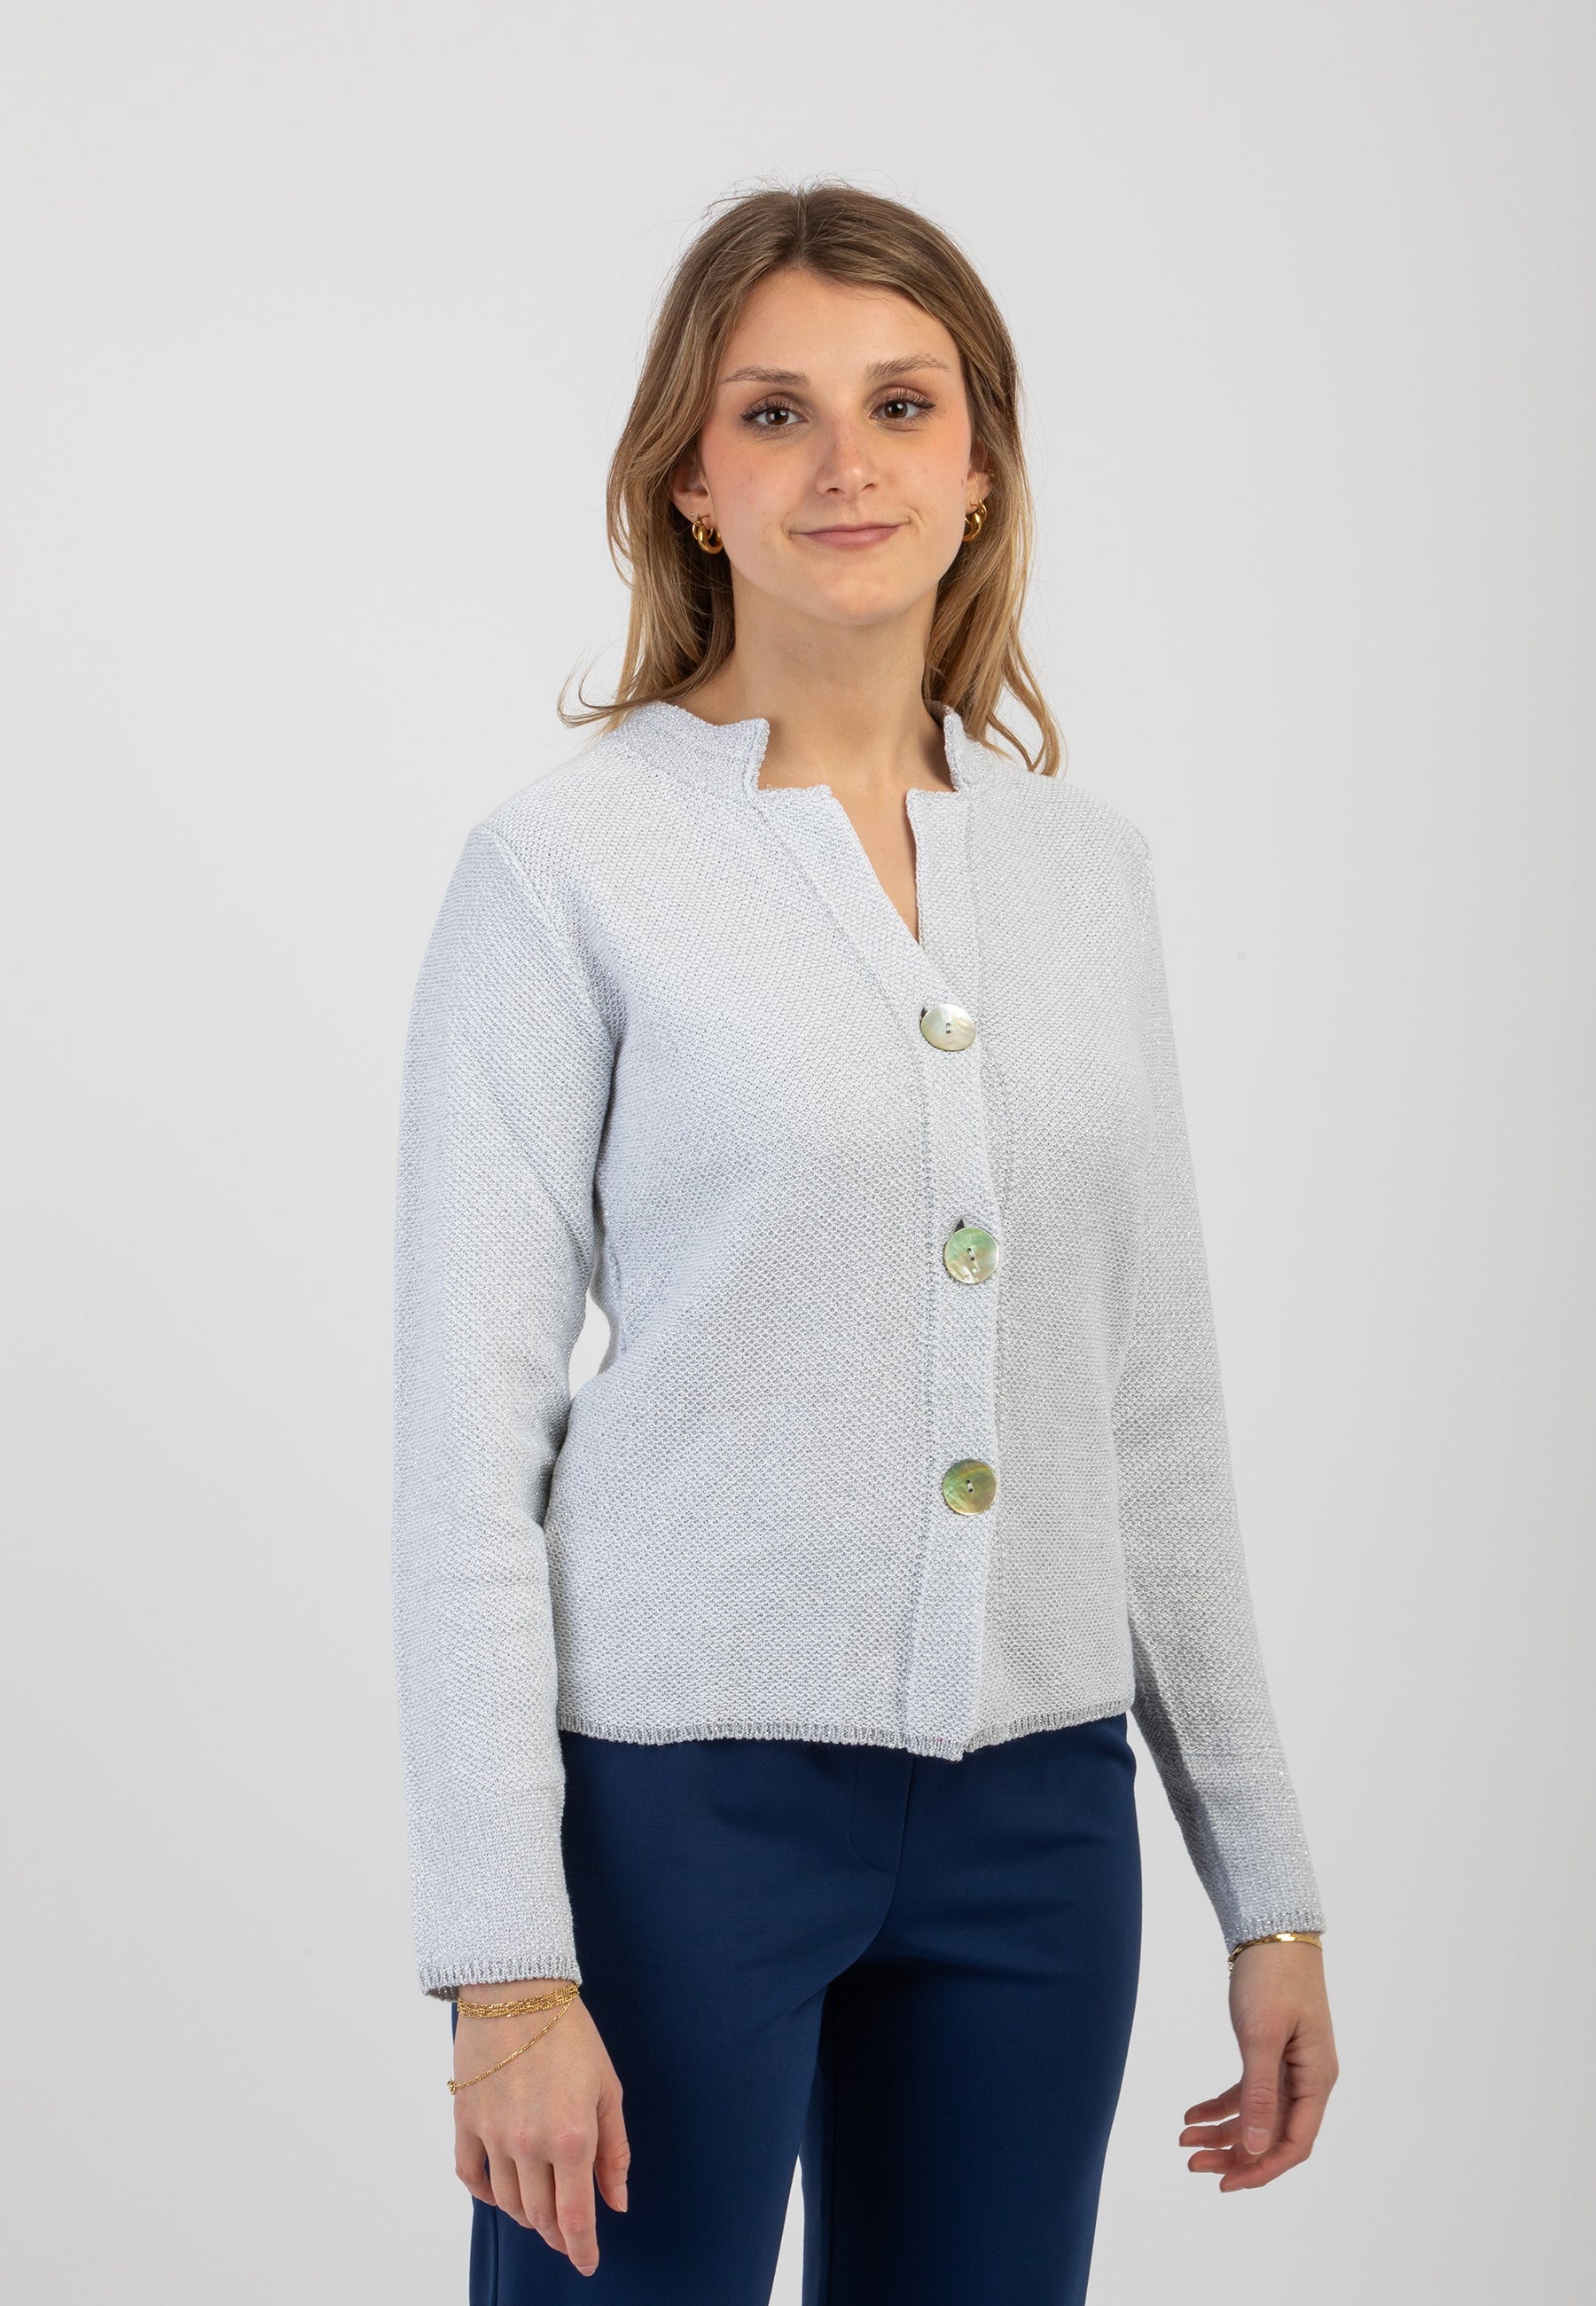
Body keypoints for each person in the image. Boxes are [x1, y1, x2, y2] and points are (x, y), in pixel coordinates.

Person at [389, 179, 1338, 2304]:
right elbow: (465, 1453)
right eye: (777, 413)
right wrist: (503, 1965)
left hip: (1039, 1826)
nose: (848, 464)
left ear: (979, 461)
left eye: (903, 405)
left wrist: (1267, 1889)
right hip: (675, 1825)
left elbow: (1152, 1410)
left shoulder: (1087, 874)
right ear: (692, 480)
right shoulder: (567, 869)